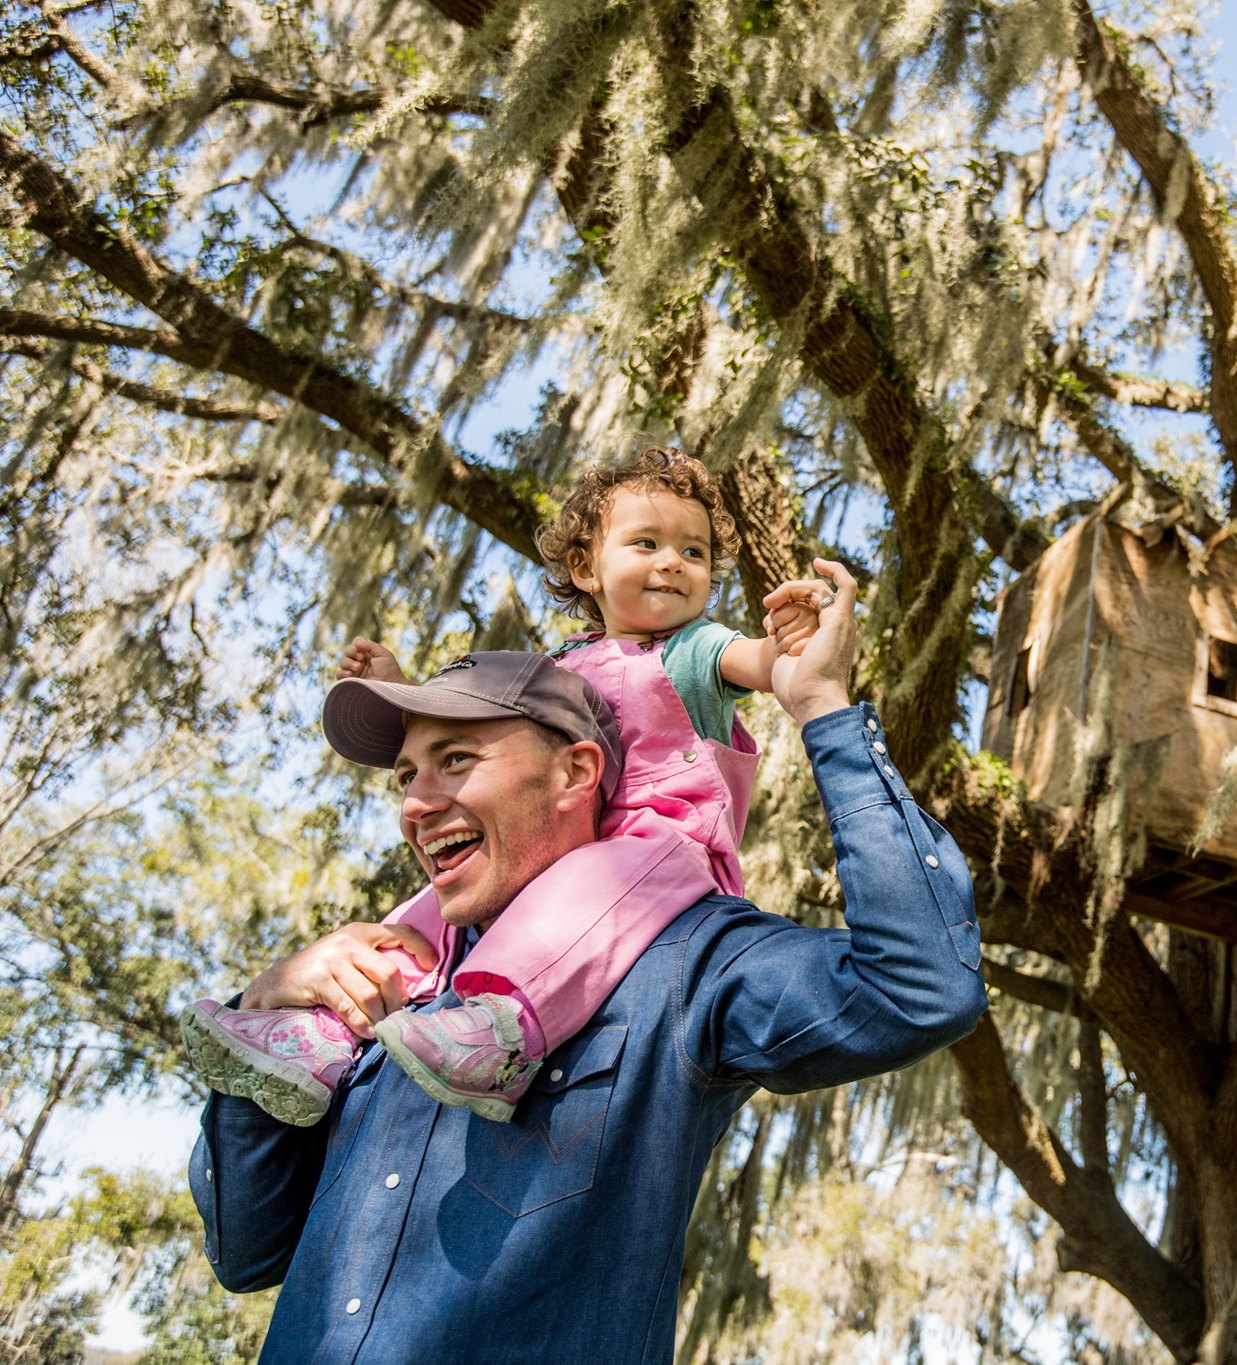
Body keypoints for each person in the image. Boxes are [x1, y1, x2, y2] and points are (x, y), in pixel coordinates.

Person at [190, 558, 987, 1359]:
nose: (416, 803)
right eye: (407, 774)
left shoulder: (685, 961)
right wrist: (267, 1005)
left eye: (457, 760)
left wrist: (823, 709)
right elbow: (247, 1251)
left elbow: (919, 989)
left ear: (576, 772)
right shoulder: (383, 978)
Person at [181, 447, 827, 1123]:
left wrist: (794, 639)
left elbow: (760, 661)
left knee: (579, 903)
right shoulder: (562, 664)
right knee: (426, 915)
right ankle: (323, 1036)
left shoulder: (695, 649)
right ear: (586, 568)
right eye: (647, 543)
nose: (673, 562)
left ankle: (504, 1033)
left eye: (694, 553)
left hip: (659, 851)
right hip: (570, 847)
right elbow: (485, 728)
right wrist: (403, 687)